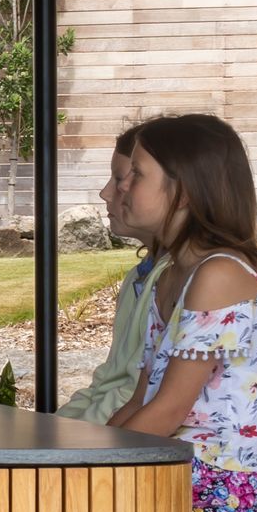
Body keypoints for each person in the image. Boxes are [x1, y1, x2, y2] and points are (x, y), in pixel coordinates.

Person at [108, 114, 257, 512]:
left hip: (215, 481)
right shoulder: (172, 275)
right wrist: (87, 448)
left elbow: (169, 408)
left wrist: (91, 462)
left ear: (182, 194)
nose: (121, 186)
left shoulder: (219, 274)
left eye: (136, 176)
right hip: (178, 461)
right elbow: (140, 398)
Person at [59, 124, 158, 422]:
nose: (107, 193)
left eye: (124, 178)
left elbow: (136, 393)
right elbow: (108, 383)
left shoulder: (181, 281)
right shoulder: (138, 278)